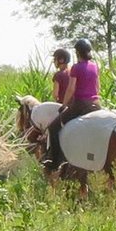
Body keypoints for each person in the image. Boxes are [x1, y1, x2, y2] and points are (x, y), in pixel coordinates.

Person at [48, 39, 101, 168]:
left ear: (77, 53)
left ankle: (55, 162)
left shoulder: (76, 68)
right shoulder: (95, 66)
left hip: (80, 104)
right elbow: (98, 87)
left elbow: (71, 88)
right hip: (95, 104)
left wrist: (64, 105)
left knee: (53, 127)